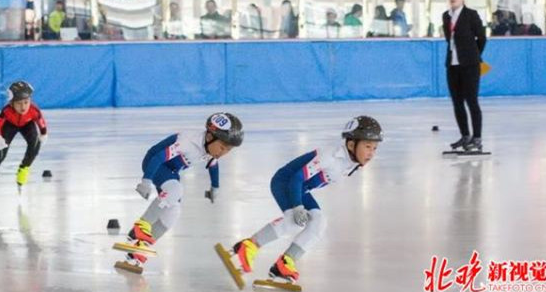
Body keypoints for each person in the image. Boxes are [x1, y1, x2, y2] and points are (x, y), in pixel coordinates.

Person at [224, 116, 382, 284]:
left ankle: (285, 263)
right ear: (351, 144)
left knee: (319, 222)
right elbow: (297, 177)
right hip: (286, 182)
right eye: (367, 146)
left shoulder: (351, 161)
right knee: (295, 219)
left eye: (374, 148)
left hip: (302, 188)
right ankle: (249, 246)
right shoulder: (330, 156)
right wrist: (298, 206)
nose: (371, 153)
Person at [118, 113, 244, 271]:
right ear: (210, 136)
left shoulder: (212, 149)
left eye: (228, 150)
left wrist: (215, 187)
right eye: (222, 147)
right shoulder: (186, 141)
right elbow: (157, 158)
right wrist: (146, 181)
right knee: (175, 189)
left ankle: (139, 249)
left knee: (173, 212)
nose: (223, 153)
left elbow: (213, 165)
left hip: (171, 172)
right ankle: (140, 227)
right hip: (155, 164)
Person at [442, 0, 486, 152]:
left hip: (470, 65)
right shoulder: (446, 16)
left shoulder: (471, 15)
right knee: (457, 102)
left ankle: (477, 137)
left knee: (471, 101)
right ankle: (465, 135)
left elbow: (481, 38)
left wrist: (473, 56)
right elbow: (449, 40)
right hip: (452, 65)